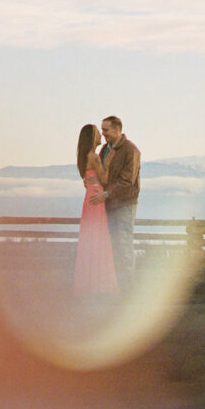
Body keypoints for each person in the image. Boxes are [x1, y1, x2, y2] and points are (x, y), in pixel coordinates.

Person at [89, 115, 141, 290]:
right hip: (109, 204)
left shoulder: (130, 150)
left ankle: (128, 288)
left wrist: (105, 193)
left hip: (124, 205)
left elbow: (127, 181)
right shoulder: (105, 149)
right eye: (102, 130)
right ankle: (115, 286)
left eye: (106, 130)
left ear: (117, 129)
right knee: (112, 245)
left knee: (124, 244)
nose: (103, 134)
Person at [72, 123, 118, 295]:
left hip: (89, 197)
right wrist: (111, 158)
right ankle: (100, 283)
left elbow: (87, 179)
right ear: (92, 138)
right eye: (98, 133)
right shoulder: (94, 156)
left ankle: (88, 283)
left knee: (89, 238)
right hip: (97, 197)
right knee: (100, 238)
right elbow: (105, 178)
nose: (101, 136)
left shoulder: (83, 157)